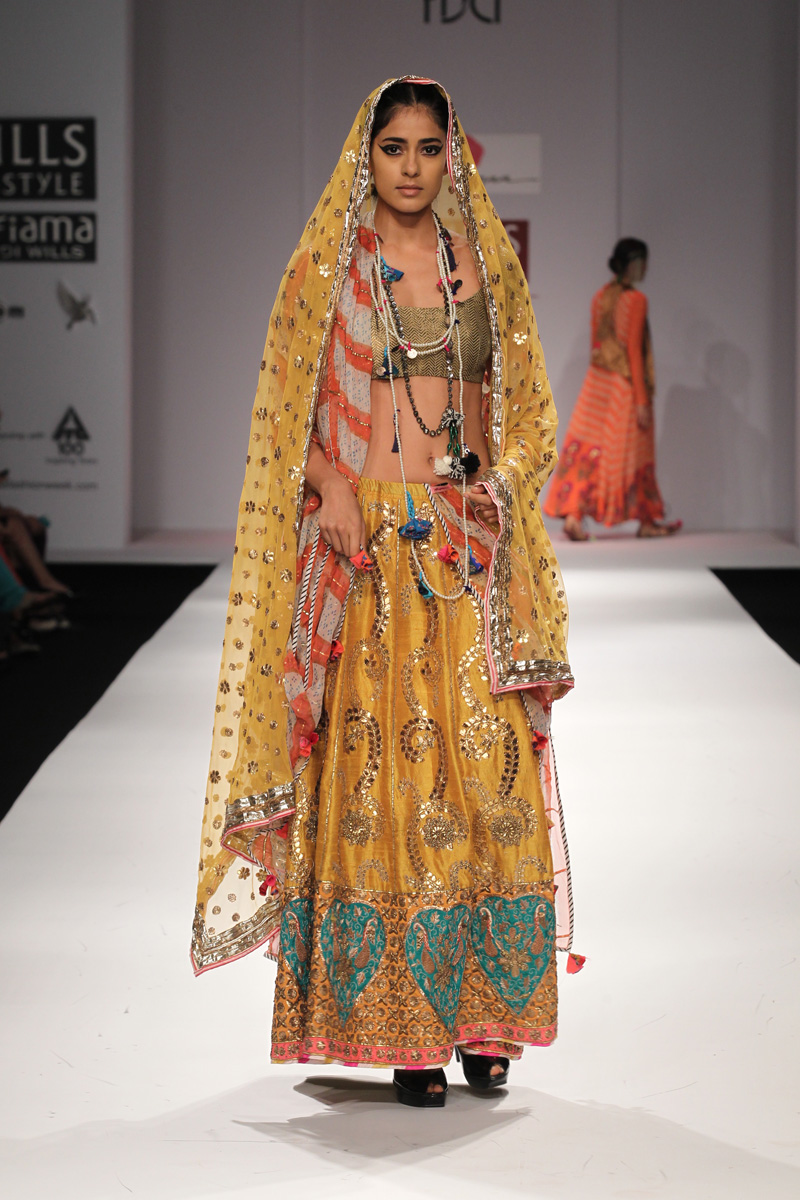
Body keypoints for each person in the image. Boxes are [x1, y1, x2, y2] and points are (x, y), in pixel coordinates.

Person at [191, 78, 578, 1108]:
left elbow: (530, 414)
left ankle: (488, 1015)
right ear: (366, 156)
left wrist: (499, 488)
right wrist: (328, 487)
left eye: (427, 147)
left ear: (454, 154)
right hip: (366, 557)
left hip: (464, 552)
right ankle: (407, 1029)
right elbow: (284, 420)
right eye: (393, 147)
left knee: (491, 776)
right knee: (387, 783)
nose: (410, 166)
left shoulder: (482, 267)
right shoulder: (325, 270)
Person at [544, 238, 680, 539]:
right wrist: (641, 399)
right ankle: (647, 520)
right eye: (643, 261)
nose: (646, 268)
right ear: (633, 264)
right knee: (632, 454)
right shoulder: (636, 300)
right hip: (623, 387)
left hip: (596, 382)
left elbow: (598, 344)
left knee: (591, 451)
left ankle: (574, 516)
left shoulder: (600, 297)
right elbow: (633, 351)